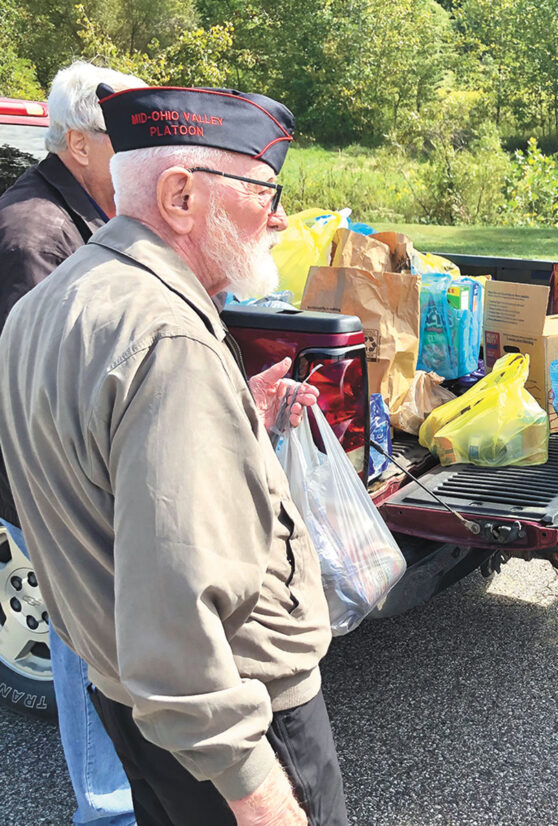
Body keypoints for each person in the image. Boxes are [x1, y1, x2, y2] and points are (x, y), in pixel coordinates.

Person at [0, 84, 346, 825]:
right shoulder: (168, 338)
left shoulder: (56, 298)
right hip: (240, 714)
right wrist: (257, 793)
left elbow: (98, 457)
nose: (281, 218)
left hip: (127, 698)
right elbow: (179, 613)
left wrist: (228, 418)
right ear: (182, 196)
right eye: (265, 192)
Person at [0, 60, 144, 826]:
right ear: (80, 143)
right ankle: (109, 812)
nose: (141, 155)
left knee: (110, 641)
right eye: (127, 139)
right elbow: (43, 388)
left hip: (87, 472)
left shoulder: (84, 211)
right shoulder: (33, 234)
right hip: (55, 485)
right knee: (86, 644)